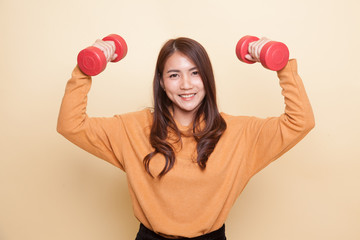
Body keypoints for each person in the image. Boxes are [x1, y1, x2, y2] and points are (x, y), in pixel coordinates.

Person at [57, 36, 315, 240]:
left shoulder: (239, 133)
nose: (186, 85)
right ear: (161, 82)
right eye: (174, 75)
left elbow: (300, 121)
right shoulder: (132, 128)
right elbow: (71, 124)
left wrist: (282, 66)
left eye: (195, 73)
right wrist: (84, 69)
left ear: (207, 78)